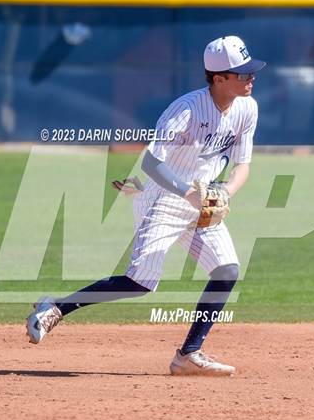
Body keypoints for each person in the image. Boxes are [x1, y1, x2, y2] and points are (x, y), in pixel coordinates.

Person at [26, 35, 266, 377]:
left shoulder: (248, 108)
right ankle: (56, 308)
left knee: (227, 271)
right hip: (164, 198)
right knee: (139, 282)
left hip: (202, 201)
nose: (250, 78)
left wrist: (226, 192)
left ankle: (188, 355)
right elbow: (152, 164)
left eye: (250, 71)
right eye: (241, 73)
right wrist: (187, 193)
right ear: (218, 78)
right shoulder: (186, 110)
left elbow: (243, 165)